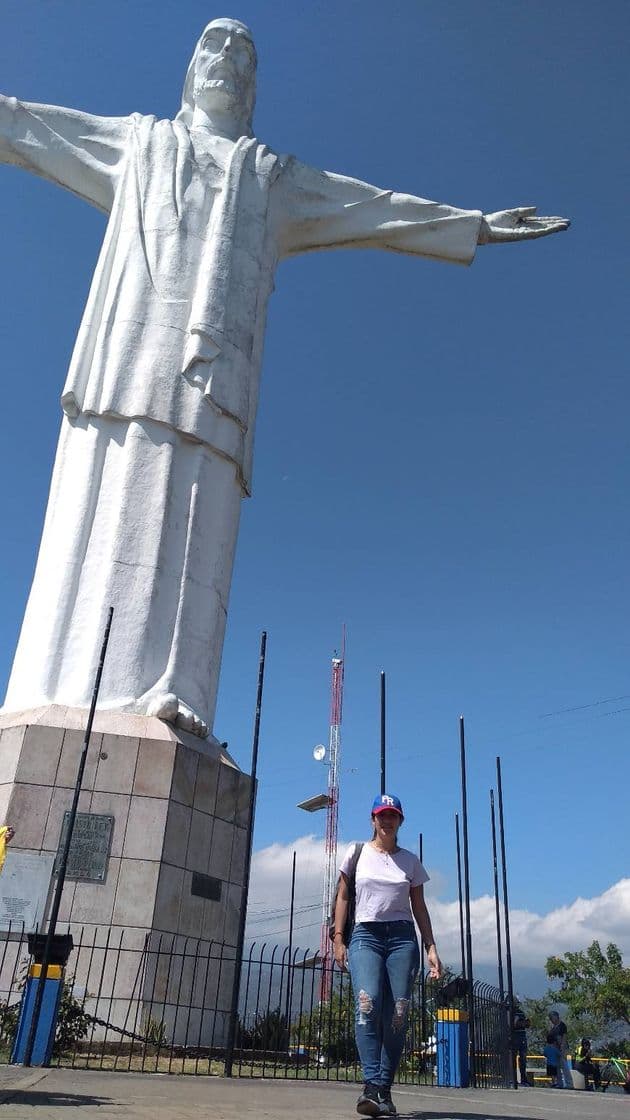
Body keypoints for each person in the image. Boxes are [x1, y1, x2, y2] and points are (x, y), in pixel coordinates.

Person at [0, 20, 569, 740]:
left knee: (201, 514)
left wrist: (475, 225)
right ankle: (57, 685)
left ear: (255, 85)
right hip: (126, 362)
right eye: (214, 48)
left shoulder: (273, 177)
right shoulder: (139, 141)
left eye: (244, 55)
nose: (227, 62)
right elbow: (29, 130)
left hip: (216, 382)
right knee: (102, 489)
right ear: (189, 67)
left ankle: (166, 691)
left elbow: (374, 209)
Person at [333, 793, 442, 1116]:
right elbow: (342, 897)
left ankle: (383, 1090)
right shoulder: (356, 853)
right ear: (372, 819)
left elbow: (419, 907)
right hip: (366, 935)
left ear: (400, 821)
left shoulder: (409, 861)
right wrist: (339, 940)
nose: (387, 820)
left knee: (397, 1013)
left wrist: (431, 946)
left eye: (392, 815)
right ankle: (370, 1086)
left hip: (402, 939)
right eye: (381, 815)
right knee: (367, 1004)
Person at [548, 1011, 573, 1089]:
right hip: (555, 1050)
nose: (551, 1020)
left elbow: (564, 1037)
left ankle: (569, 1084)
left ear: (556, 1016)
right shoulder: (553, 1028)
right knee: (557, 1067)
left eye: (552, 1018)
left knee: (564, 1066)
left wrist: (562, 1047)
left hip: (562, 1049)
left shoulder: (562, 1026)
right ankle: (560, 1083)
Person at [511, 1004, 530, 1086]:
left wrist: (524, 1023)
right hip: (515, 1037)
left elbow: (525, 1024)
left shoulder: (520, 1013)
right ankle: (513, 1078)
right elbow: (514, 1024)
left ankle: (523, 1079)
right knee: (513, 1058)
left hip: (520, 1036)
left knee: (522, 1059)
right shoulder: (510, 1012)